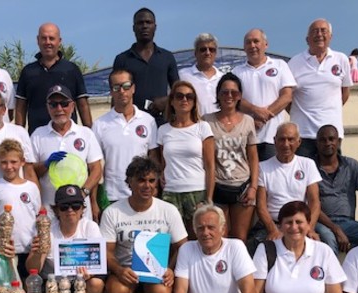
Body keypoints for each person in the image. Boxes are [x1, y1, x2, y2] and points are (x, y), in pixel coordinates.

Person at [100, 156, 188, 293]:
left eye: (152, 181)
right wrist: (119, 270)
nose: (147, 185)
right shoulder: (112, 212)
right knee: (117, 291)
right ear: (129, 182)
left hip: (157, 270)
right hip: (126, 270)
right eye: (141, 180)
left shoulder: (168, 210)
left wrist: (170, 269)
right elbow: (106, 251)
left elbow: (183, 247)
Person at [30, 85, 103, 221]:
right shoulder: (38, 135)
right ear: (47, 107)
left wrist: (84, 192)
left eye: (64, 104)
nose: (59, 109)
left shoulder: (86, 133)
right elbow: (30, 172)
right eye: (53, 104)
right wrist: (46, 165)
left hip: (79, 209)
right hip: (49, 210)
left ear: (73, 106)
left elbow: (96, 169)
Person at [203, 72, 259, 242]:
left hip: (242, 187)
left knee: (240, 239)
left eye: (234, 92)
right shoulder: (206, 121)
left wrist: (253, 187)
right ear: (218, 95)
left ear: (240, 96)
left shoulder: (248, 121)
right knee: (220, 238)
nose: (229, 96)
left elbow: (253, 157)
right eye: (224, 92)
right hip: (218, 186)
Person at [249, 122, 321, 253]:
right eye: (282, 139)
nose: (286, 144)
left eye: (291, 139)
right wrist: (273, 230)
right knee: (256, 247)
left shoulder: (308, 164)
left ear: (299, 142)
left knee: (326, 241)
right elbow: (261, 206)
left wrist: (309, 228)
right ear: (274, 141)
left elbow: (314, 202)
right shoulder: (262, 167)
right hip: (273, 224)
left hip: (301, 224)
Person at [92, 69, 159, 208]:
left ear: (133, 88)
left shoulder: (148, 121)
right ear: (111, 91)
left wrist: (155, 188)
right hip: (112, 196)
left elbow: (154, 158)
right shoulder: (100, 124)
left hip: (143, 194)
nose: (122, 91)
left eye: (126, 86)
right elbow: (94, 166)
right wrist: (93, 202)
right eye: (116, 87)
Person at [26, 185, 105, 293]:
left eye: (76, 206)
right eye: (64, 206)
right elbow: (33, 270)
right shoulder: (47, 229)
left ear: (83, 209)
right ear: (56, 210)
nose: (70, 210)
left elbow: (98, 264)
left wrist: (90, 274)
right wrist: (37, 253)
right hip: (54, 284)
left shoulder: (90, 227)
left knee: (96, 283)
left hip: (82, 281)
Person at [158, 80, 215, 237]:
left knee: (197, 238)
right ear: (172, 101)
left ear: (194, 102)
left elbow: (210, 166)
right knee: (172, 241)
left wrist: (209, 198)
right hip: (171, 191)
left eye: (189, 97)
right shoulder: (163, 130)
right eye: (180, 96)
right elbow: (164, 163)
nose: (184, 100)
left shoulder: (203, 127)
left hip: (196, 191)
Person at [288, 19, 352, 159]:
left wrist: (328, 110)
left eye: (323, 31)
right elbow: (287, 98)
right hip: (303, 135)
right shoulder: (294, 62)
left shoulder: (341, 59)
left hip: (331, 135)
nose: (319, 34)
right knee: (304, 180)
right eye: (314, 31)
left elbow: (345, 93)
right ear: (307, 39)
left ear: (330, 36)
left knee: (332, 178)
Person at [314, 124, 358, 254]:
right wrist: (336, 230)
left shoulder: (351, 165)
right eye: (323, 140)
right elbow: (312, 204)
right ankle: (332, 272)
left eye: (331, 139)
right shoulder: (310, 167)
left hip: (348, 223)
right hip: (322, 223)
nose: (327, 143)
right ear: (317, 143)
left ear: (338, 142)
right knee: (329, 238)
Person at [15, 23, 92, 134]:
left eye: (51, 38)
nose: (47, 42)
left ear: (59, 41)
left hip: (68, 136)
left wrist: (89, 132)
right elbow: (20, 108)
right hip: (37, 139)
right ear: (38, 40)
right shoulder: (28, 72)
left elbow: (82, 104)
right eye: (44, 38)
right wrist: (19, 137)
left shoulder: (72, 69)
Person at [233, 28, 297, 161]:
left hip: (273, 139)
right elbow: (235, 99)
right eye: (248, 42)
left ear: (265, 44)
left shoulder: (280, 65)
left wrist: (262, 118)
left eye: (256, 41)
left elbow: (286, 96)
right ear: (244, 47)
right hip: (246, 138)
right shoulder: (236, 72)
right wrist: (254, 112)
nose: (252, 46)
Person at [0, 139, 42, 281]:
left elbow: (38, 216)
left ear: (22, 161)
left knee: (30, 292)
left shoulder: (32, 187)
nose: (9, 166)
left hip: (29, 251)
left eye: (13, 162)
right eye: (4, 162)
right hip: (5, 252)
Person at [113, 7, 179, 125]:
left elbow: (178, 90)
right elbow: (116, 94)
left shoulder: (167, 57)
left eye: (148, 22)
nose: (144, 26)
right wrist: (114, 123)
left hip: (162, 122)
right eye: (140, 23)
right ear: (134, 28)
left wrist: (166, 101)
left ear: (155, 27)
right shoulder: (122, 59)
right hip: (132, 123)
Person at [178, 33, 224, 117]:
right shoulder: (183, 76)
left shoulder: (223, 78)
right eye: (203, 49)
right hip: (194, 127)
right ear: (195, 53)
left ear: (216, 53)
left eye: (211, 49)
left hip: (218, 127)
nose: (207, 53)